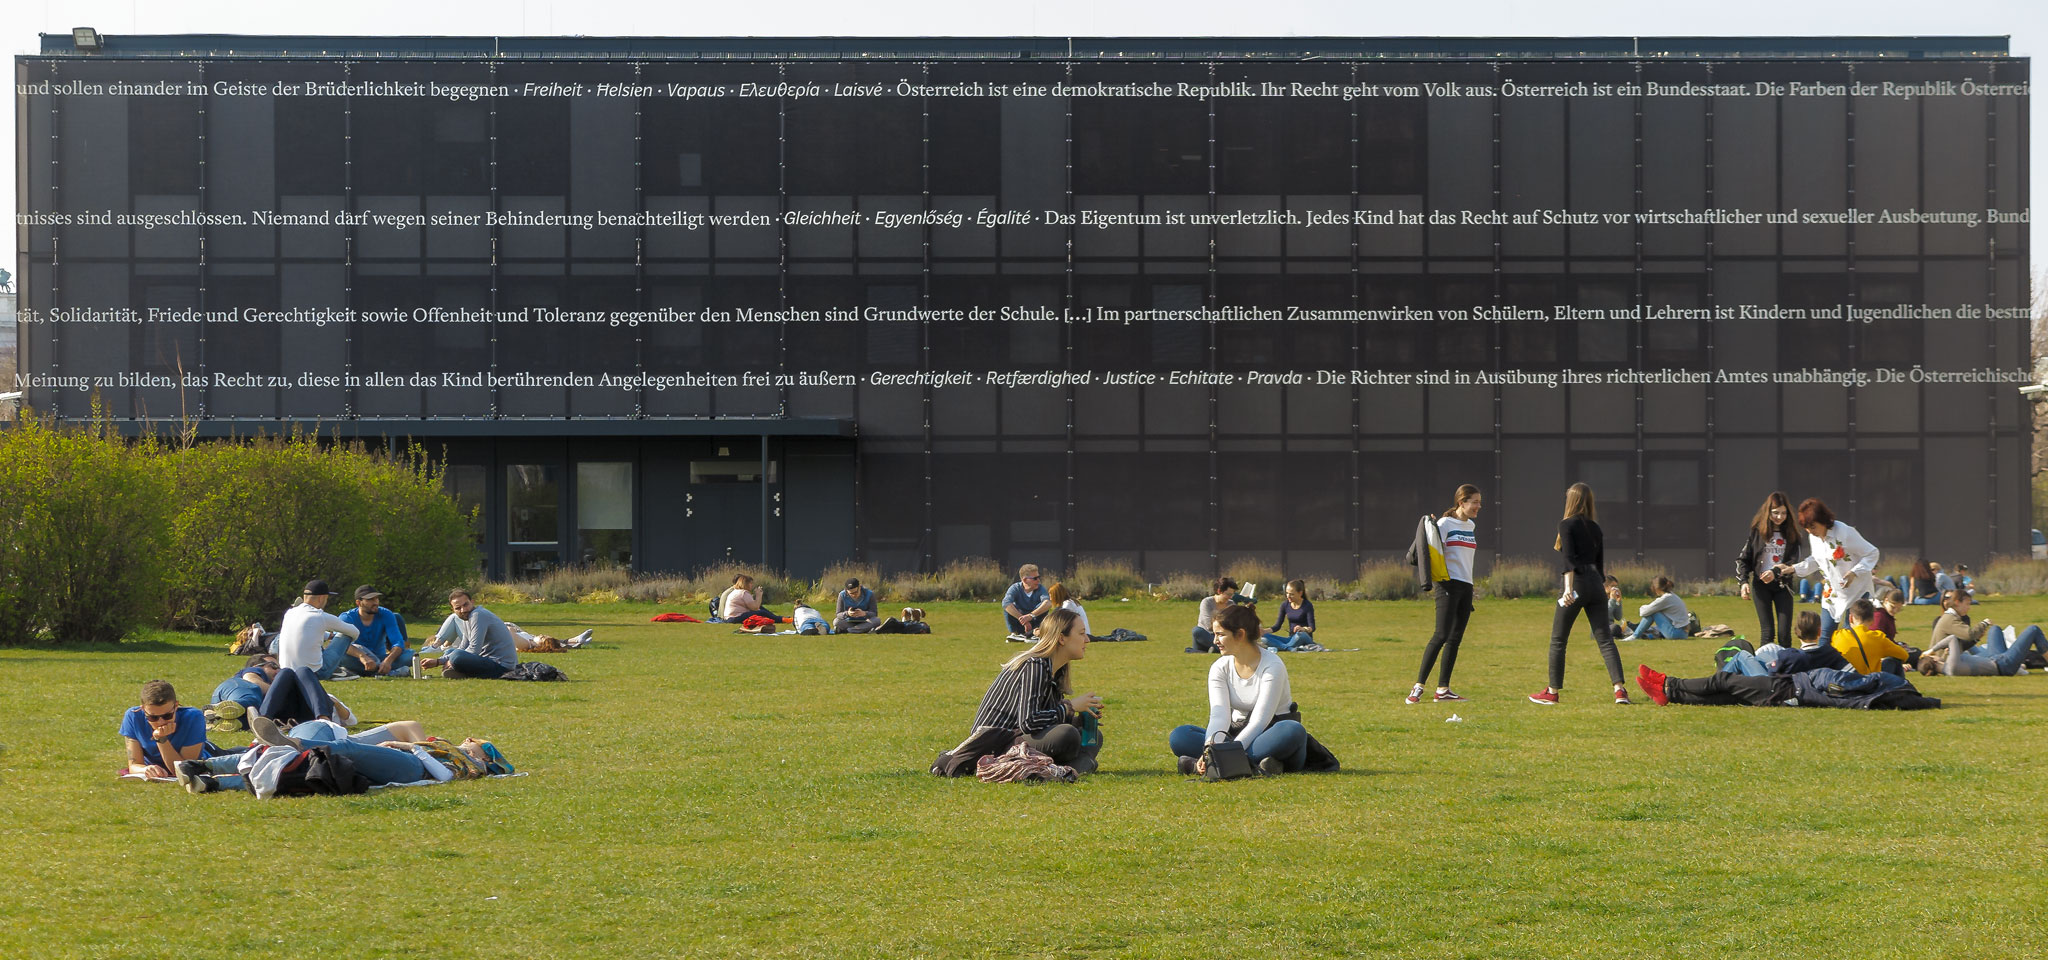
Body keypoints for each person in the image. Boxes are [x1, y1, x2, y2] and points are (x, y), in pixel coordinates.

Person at [1169, 605, 1311, 775]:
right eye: (1214, 635)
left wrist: (1225, 752)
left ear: (1241, 635)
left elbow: (1260, 721)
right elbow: (1219, 715)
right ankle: (1256, 766)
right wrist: (1209, 750)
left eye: (1220, 635)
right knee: (1180, 736)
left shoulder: (1273, 666)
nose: (1214, 641)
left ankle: (1206, 765)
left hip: (1269, 733)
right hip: (1235, 733)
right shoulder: (1219, 667)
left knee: (1292, 730)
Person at [966, 607, 1102, 772]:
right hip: (993, 746)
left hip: (1017, 739)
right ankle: (1079, 765)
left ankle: (1076, 766)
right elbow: (1029, 722)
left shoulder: (1056, 670)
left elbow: (1043, 719)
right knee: (1067, 735)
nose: (1087, 639)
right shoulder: (1034, 665)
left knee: (1092, 735)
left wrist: (1076, 719)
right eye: (1081, 633)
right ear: (1061, 638)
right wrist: (1070, 707)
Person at [1531, 482, 1628, 705]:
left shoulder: (1566, 524)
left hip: (1576, 583)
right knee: (1605, 640)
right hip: (1596, 584)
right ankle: (1619, 690)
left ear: (1571, 500)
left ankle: (1552, 692)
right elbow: (1600, 564)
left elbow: (1569, 561)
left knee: (1558, 640)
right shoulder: (1595, 528)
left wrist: (1568, 589)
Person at [1409, 484, 1482, 703]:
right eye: (1475, 502)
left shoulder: (1471, 525)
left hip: (1466, 586)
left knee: (1455, 638)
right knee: (1440, 635)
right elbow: (1429, 552)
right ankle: (1418, 687)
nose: (1479, 506)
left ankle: (1443, 689)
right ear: (1462, 502)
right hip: (1447, 585)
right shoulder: (1443, 524)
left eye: (1480, 502)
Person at [1772, 498, 1880, 642]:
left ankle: (1849, 664)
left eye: (1813, 526)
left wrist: (1855, 572)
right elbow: (1816, 560)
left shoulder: (1845, 533)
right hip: (1833, 593)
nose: (1810, 531)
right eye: (1806, 528)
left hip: (1857, 591)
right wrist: (1792, 569)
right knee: (1824, 635)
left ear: (1823, 520)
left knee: (1851, 637)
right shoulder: (1814, 537)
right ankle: (1824, 664)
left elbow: (1872, 552)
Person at [1633, 660, 1938, 710]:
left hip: (1788, 689)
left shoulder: (1875, 682)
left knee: (1724, 680)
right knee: (1725, 696)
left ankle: (1668, 683)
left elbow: (1840, 686)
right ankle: (1668, 696)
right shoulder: (1878, 688)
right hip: (1790, 690)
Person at [120, 680, 237, 781]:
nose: (161, 722)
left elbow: (183, 770)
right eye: (153, 717)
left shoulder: (193, 717)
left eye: (167, 716)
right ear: (142, 709)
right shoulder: (133, 717)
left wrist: (161, 739)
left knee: (244, 757)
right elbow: (134, 765)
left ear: (176, 706)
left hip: (209, 755)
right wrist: (146, 769)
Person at [1923, 589, 2048, 677]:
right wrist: (1984, 623)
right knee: (2033, 629)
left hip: (1994, 660)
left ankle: (2018, 666)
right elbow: (1967, 635)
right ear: (1957, 602)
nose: (1969, 607)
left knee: (1995, 629)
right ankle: (2018, 665)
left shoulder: (1949, 620)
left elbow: (1960, 642)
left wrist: (1976, 640)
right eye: (1967, 604)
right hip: (2003, 664)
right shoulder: (1949, 620)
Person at [1735, 491, 1804, 647]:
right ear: (1768, 512)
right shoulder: (1757, 532)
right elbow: (1743, 559)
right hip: (1761, 587)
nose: (1779, 517)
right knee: (1767, 633)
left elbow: (1794, 562)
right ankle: (1765, 669)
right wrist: (1744, 582)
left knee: (1784, 634)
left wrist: (1776, 572)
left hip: (1783, 586)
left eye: (1783, 513)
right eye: (1775, 513)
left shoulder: (1793, 535)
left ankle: (1786, 668)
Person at [416, 588, 519, 679]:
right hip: (487, 660)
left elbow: (474, 649)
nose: (463, 610)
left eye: (466, 604)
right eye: (458, 608)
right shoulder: (466, 619)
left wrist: (439, 661)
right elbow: (463, 646)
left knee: (456, 656)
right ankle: (460, 672)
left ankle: (460, 671)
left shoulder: (477, 615)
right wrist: (447, 658)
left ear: (472, 602)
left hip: (502, 666)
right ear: (453, 610)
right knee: (451, 651)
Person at [275, 579, 364, 680]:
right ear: (322, 598)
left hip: (287, 671)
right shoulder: (320, 616)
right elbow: (354, 631)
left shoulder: (289, 613)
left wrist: (327, 635)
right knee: (346, 635)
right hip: (316, 673)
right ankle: (334, 669)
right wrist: (339, 640)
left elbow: (307, 630)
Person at [336, 584, 411, 677]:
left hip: (381, 658)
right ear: (358, 603)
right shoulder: (347, 617)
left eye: (376, 599)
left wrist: (388, 661)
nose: (375, 602)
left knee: (410, 655)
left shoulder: (386, 614)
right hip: (358, 658)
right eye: (370, 600)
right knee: (341, 657)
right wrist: (363, 657)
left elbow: (398, 642)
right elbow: (338, 644)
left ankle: (361, 671)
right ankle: (386, 672)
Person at [1830, 598, 1916, 675]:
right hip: (1869, 685)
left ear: (1850, 618)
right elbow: (1904, 655)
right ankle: (1900, 690)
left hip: (1845, 683)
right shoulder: (1878, 638)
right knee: (1893, 661)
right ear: (1872, 620)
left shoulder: (1837, 636)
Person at [208, 655, 278, 731]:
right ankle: (215, 711)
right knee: (252, 701)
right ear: (255, 665)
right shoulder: (253, 670)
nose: (277, 671)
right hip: (239, 686)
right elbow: (253, 680)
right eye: (273, 666)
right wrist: (280, 693)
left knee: (253, 718)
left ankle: (222, 721)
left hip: (223, 694)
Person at [1264, 579, 1325, 652]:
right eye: (1287, 593)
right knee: (1264, 637)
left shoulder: (1307, 605)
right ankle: (1289, 648)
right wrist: (1263, 631)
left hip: (1302, 636)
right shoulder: (1285, 605)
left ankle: (1281, 646)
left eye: (1291, 594)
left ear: (1300, 593)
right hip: (1291, 638)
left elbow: (1312, 627)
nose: (1288, 596)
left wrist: (1303, 629)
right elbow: (1277, 626)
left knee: (1300, 635)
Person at [1625, 576, 1691, 640]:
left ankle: (1635, 636)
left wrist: (1642, 607)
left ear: (1656, 588)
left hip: (1676, 634)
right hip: (1683, 633)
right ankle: (1643, 635)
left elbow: (1643, 612)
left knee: (1654, 613)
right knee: (1655, 615)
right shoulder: (1672, 595)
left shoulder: (1665, 599)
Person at [1000, 564, 1052, 642]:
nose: (1038, 580)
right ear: (1024, 580)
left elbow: (1048, 603)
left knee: (1043, 606)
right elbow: (1006, 603)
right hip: (1021, 624)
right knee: (1009, 607)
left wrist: (1030, 616)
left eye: (1038, 577)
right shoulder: (1015, 588)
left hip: (1035, 623)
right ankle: (1015, 634)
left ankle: (1036, 634)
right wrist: (1024, 620)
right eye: (1035, 578)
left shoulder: (1041, 589)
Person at [1188, 577, 1237, 653]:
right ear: (1219, 591)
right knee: (1197, 631)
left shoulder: (1231, 604)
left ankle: (1213, 650)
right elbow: (1208, 625)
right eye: (1228, 594)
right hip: (1207, 635)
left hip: (1224, 636)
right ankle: (1223, 648)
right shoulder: (1207, 602)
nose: (1230, 597)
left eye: (1232, 595)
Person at [719, 574, 783, 624]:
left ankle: (776, 617)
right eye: (751, 583)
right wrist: (759, 595)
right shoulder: (744, 593)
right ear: (746, 584)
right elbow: (755, 608)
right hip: (735, 618)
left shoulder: (736, 591)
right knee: (762, 612)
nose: (752, 585)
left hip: (729, 618)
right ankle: (780, 619)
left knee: (760, 609)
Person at [501, 622, 594, 651]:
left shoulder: (526, 644)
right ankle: (576, 641)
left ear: (539, 645)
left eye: (542, 638)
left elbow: (508, 633)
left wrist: (510, 628)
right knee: (554, 642)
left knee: (552, 643)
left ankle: (577, 642)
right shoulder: (531, 640)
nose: (541, 635)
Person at [1603, 576, 1630, 640]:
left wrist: (1618, 601)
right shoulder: (1599, 598)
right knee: (1615, 628)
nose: (1615, 589)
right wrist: (1612, 600)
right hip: (1601, 628)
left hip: (1610, 626)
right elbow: (1605, 615)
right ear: (1605, 587)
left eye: (1616, 586)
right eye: (1612, 586)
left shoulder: (1612, 598)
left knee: (1629, 625)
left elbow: (1618, 617)